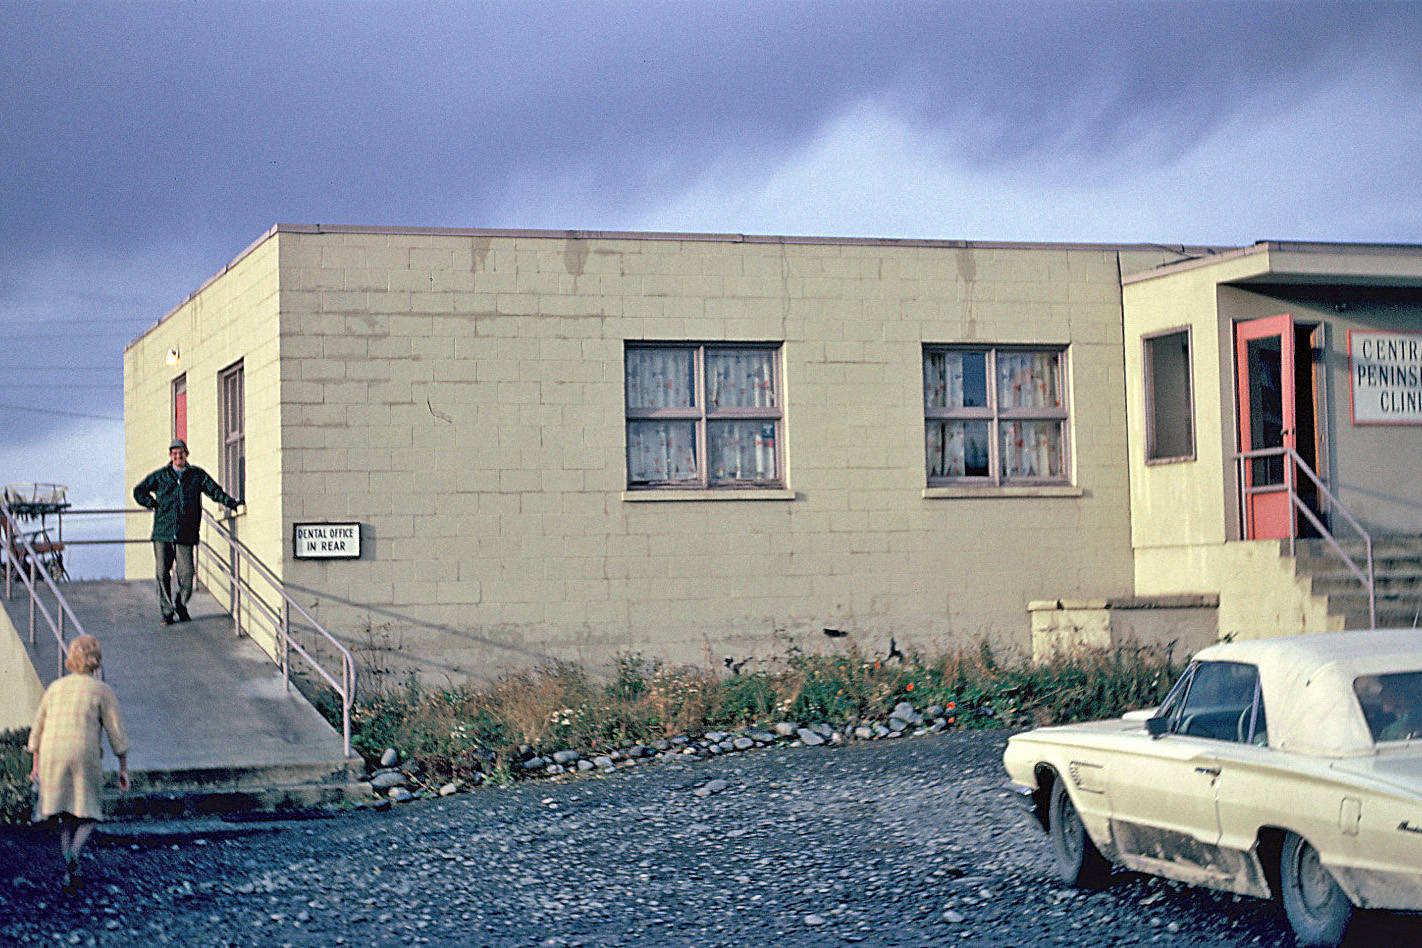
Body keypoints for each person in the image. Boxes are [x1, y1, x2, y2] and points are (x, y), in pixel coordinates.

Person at [27, 634, 131, 889]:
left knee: (63, 811)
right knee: (90, 811)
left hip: (53, 751)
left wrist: (36, 765)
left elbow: (38, 728)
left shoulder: (55, 688)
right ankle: (74, 853)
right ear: (97, 661)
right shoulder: (102, 691)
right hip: (83, 752)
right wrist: (123, 767)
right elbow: (116, 732)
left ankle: (68, 866)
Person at [132, 438, 240, 625]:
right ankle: (167, 612)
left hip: (186, 533)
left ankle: (181, 605)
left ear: (186, 454)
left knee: (187, 574)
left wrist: (230, 502)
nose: (178, 456)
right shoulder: (161, 476)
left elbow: (213, 490)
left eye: (181, 453)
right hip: (163, 533)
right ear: (170, 456)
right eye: (174, 454)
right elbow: (139, 490)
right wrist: (151, 502)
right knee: (162, 573)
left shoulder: (196, 475)